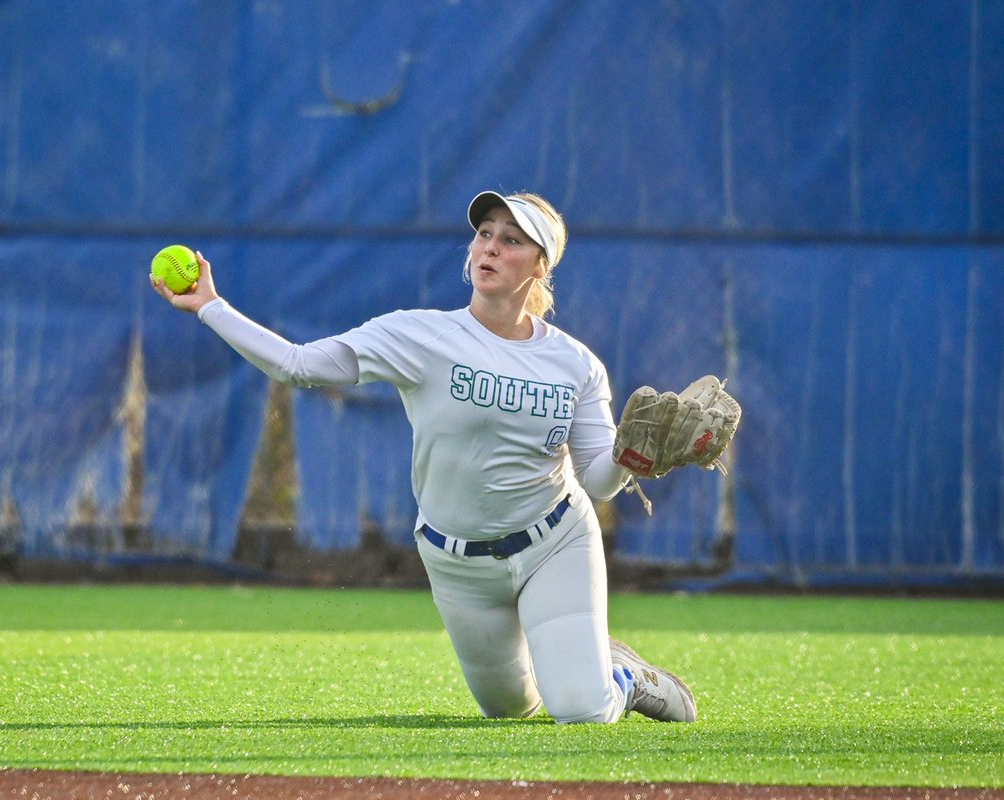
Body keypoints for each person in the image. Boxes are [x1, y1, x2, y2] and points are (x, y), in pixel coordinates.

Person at [150, 191, 696, 724]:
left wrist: (630, 459)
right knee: (509, 709)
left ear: (540, 265)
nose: (490, 248)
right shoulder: (421, 335)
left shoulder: (576, 364)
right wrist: (210, 307)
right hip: (457, 560)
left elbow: (599, 482)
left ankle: (625, 677)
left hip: (554, 542)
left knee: (580, 709)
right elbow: (297, 364)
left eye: (511, 240)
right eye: (484, 235)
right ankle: (587, 659)